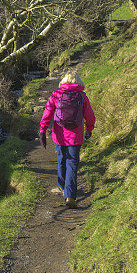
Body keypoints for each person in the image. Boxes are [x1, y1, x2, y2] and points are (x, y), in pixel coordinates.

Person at [39, 69, 95, 208]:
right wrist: (89, 130)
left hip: (59, 135)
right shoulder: (82, 96)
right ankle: (70, 195)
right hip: (75, 136)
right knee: (72, 164)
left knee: (62, 160)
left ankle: (62, 186)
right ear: (78, 81)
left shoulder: (56, 94)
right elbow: (90, 116)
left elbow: (47, 113)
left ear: (64, 81)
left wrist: (42, 130)